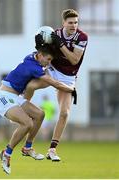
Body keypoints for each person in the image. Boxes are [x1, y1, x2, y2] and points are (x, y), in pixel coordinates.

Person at [0, 44, 74, 174]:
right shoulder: (34, 67)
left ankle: (27, 148)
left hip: (15, 96)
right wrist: (72, 88)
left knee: (40, 114)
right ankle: (6, 153)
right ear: (40, 55)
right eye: (48, 60)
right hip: (3, 96)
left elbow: (42, 51)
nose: (48, 63)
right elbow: (55, 83)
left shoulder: (32, 56)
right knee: (27, 123)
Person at [24, 9, 88, 161]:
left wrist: (60, 45)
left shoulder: (82, 37)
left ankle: (52, 150)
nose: (73, 25)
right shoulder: (55, 34)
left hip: (68, 77)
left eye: (76, 22)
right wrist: (41, 44)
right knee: (30, 86)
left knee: (65, 113)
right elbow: (44, 52)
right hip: (53, 70)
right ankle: (22, 109)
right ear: (63, 23)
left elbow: (74, 60)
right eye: (70, 22)